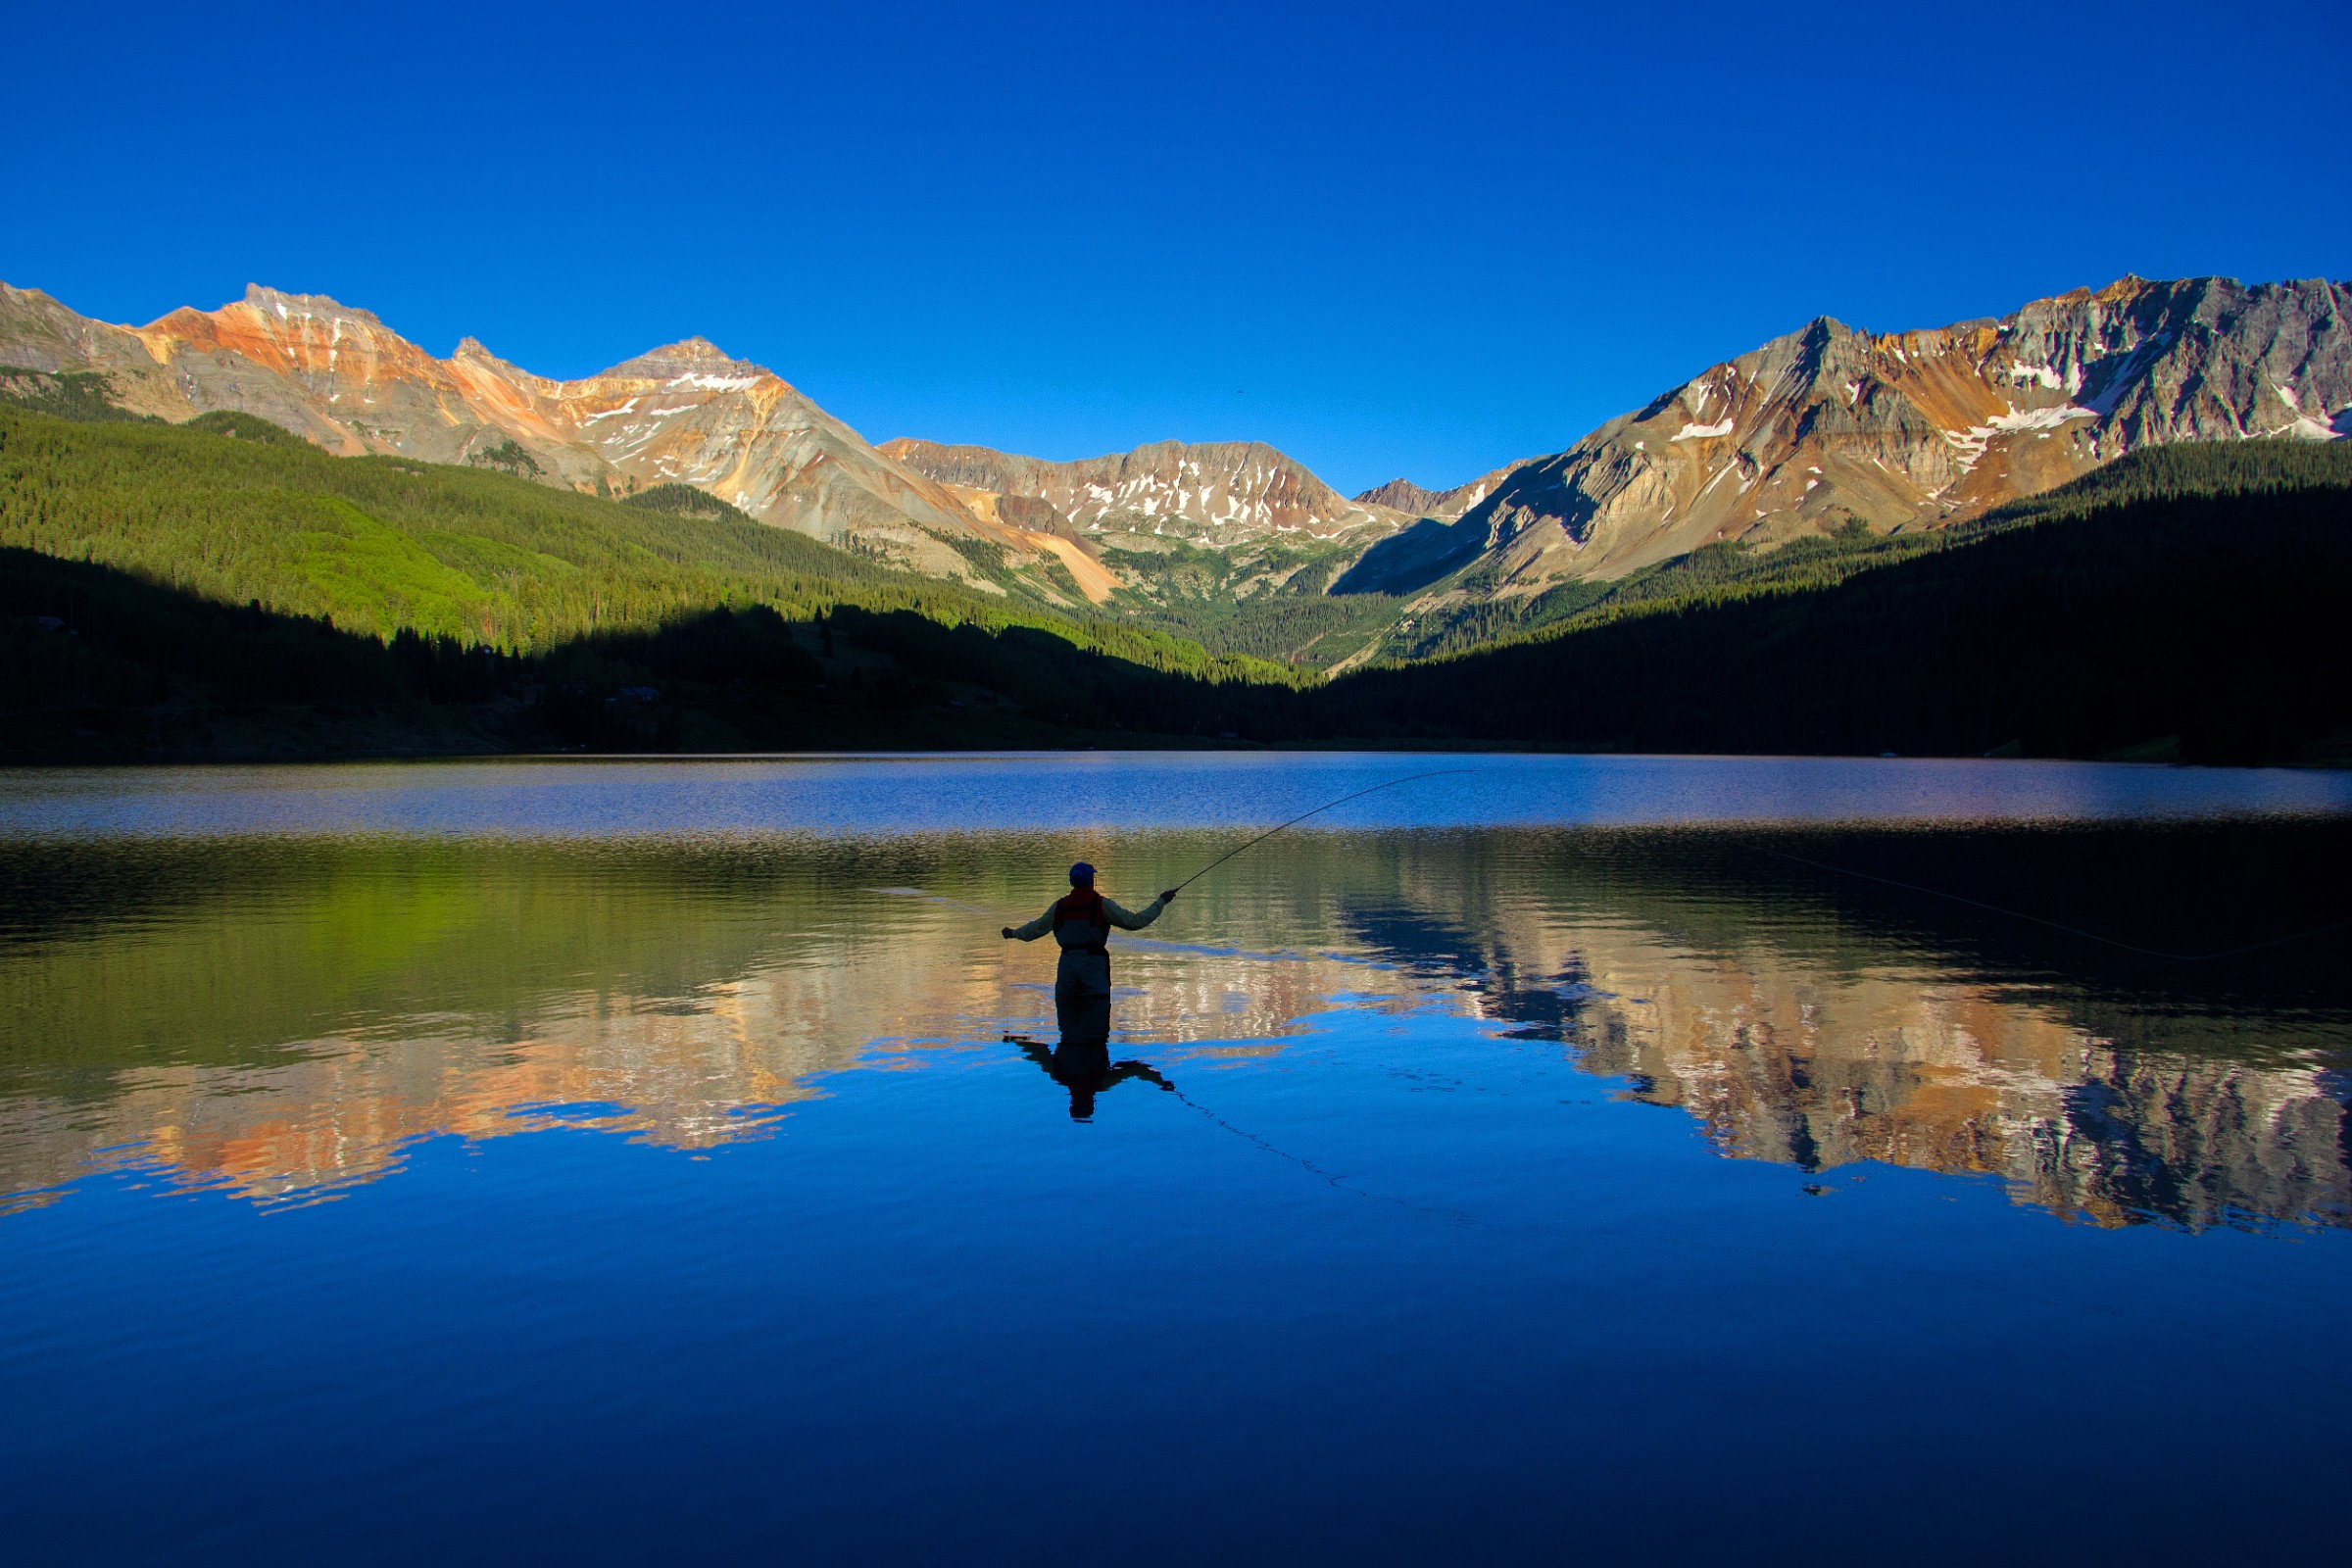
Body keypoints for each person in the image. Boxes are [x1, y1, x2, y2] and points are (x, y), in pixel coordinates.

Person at [1002, 862, 1177, 1054]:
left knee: (1068, 1010)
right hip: (1094, 967)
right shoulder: (1102, 905)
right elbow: (1135, 922)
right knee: (1097, 1010)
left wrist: (1013, 933)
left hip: (1067, 967)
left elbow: (1034, 930)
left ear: (1072, 882)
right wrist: (1161, 902)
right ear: (1091, 881)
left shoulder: (1060, 907)